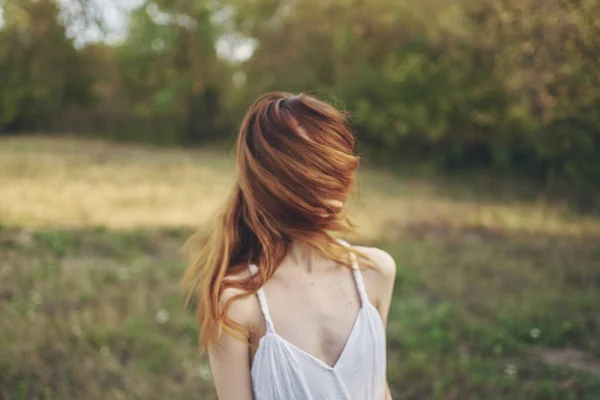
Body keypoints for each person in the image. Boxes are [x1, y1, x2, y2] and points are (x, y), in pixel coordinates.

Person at [182, 92, 396, 399]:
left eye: (333, 163)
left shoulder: (376, 272)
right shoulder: (238, 302)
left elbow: (379, 388)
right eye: (310, 168)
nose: (331, 188)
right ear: (270, 179)